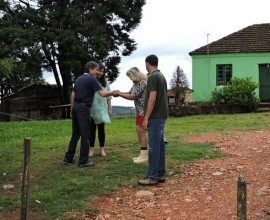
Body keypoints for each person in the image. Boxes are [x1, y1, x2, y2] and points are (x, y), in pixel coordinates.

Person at [63, 61, 114, 168]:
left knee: (75, 135)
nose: (97, 72)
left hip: (76, 108)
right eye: (96, 69)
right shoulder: (91, 79)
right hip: (84, 109)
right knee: (86, 135)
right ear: (90, 69)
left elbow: (73, 94)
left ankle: (68, 158)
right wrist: (114, 92)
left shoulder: (78, 79)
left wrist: (72, 109)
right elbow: (102, 93)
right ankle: (83, 161)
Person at [138, 54, 169, 185]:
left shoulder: (152, 77)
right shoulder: (161, 76)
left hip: (155, 116)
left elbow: (152, 98)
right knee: (160, 146)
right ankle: (160, 174)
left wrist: (146, 118)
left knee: (154, 147)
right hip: (161, 114)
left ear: (147, 64)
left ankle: (153, 176)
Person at [115, 67, 148, 163]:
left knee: (142, 133)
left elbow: (132, 96)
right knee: (139, 131)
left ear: (135, 75)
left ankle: (144, 155)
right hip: (139, 111)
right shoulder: (135, 84)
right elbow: (129, 93)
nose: (129, 78)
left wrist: (120, 94)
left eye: (130, 76)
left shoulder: (143, 83)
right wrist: (119, 93)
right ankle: (143, 153)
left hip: (143, 111)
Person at [89, 63, 112, 157]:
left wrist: (110, 108)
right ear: (95, 70)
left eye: (103, 72)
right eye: (99, 70)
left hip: (102, 109)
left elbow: (109, 96)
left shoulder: (105, 82)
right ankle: (91, 150)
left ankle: (102, 150)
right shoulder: (90, 81)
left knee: (101, 130)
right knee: (91, 130)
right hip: (92, 108)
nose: (101, 73)